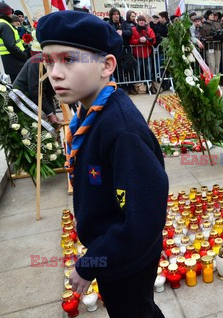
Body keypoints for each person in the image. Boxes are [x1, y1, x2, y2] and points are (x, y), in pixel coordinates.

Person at [36, 10, 168, 317]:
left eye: (68, 59)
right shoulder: (91, 113)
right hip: (112, 248)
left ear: (106, 65)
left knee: (134, 310)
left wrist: (91, 263)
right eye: (49, 61)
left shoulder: (121, 129)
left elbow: (142, 218)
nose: (55, 72)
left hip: (125, 255)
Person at [13, 53, 60, 125]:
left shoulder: (56, 62)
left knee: (52, 124)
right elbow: (36, 91)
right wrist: (50, 114)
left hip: (41, 95)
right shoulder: (37, 62)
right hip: (24, 99)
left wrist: (51, 113)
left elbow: (47, 92)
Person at [0, 2, 28, 82]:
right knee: (20, 85)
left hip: (7, 59)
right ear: (7, 13)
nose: (12, 15)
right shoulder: (4, 25)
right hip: (15, 60)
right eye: (11, 12)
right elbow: (10, 45)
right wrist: (23, 55)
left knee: (16, 84)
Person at [130, 15, 156, 83]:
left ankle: (150, 85)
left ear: (145, 22)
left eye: (143, 20)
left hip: (147, 54)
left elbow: (153, 41)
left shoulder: (149, 30)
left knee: (149, 71)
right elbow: (131, 41)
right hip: (137, 54)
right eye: (140, 20)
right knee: (137, 72)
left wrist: (146, 41)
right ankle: (138, 86)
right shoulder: (133, 29)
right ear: (137, 22)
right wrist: (139, 40)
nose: (141, 22)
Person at [200, 10, 223, 75]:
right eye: (211, 15)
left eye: (213, 15)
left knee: (217, 64)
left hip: (217, 47)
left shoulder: (217, 24)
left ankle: (217, 80)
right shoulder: (203, 26)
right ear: (207, 16)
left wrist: (221, 37)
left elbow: (222, 33)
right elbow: (203, 37)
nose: (213, 16)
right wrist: (212, 37)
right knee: (211, 64)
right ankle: (212, 80)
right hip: (209, 47)